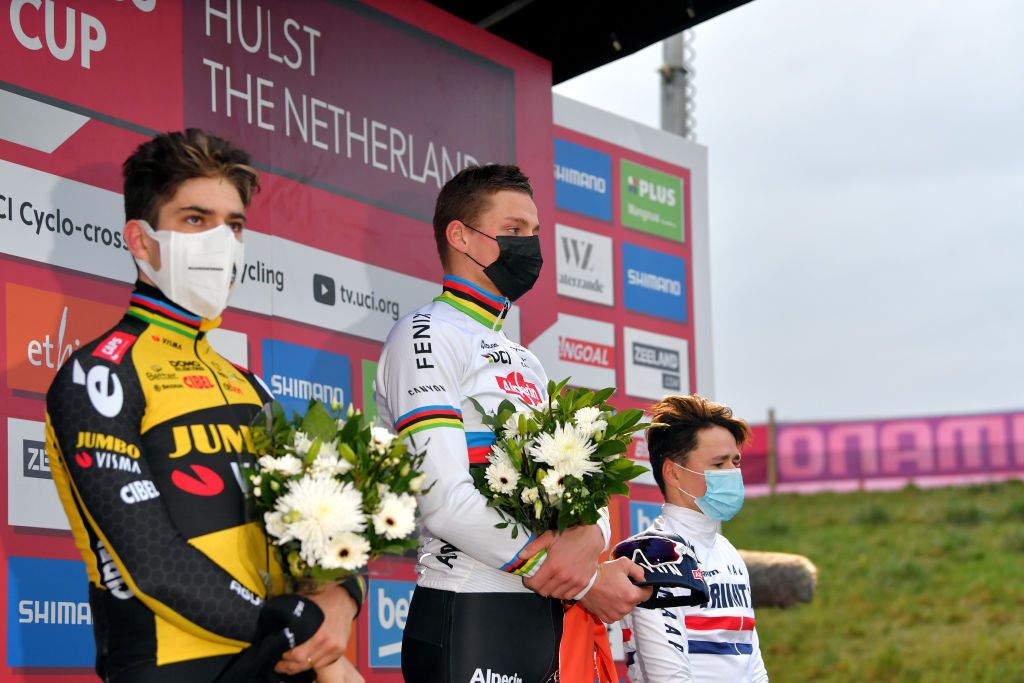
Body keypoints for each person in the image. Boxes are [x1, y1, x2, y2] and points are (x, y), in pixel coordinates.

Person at [44, 129, 363, 683]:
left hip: (279, 660)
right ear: (141, 242)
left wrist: (343, 592)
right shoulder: (99, 374)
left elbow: (311, 532)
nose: (220, 240)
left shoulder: (250, 388)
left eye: (233, 224)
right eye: (195, 219)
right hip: (173, 666)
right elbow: (152, 562)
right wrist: (295, 627)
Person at [375, 164, 649, 683]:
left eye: (535, 233)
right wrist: (584, 582)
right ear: (460, 235)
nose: (530, 246)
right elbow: (443, 501)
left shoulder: (525, 359)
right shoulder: (426, 334)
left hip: (537, 617)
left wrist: (594, 531)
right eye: (514, 230)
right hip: (469, 605)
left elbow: (582, 488)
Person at [620, 395, 769, 682]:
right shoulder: (652, 554)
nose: (732, 473)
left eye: (735, 461)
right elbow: (668, 676)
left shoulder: (727, 551)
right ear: (674, 472)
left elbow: (754, 665)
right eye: (718, 464)